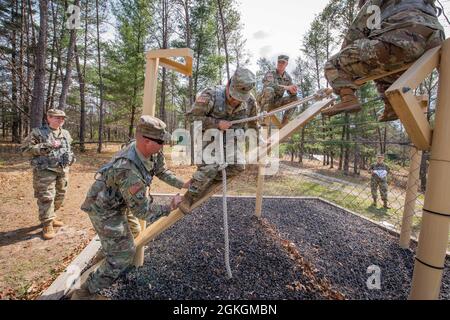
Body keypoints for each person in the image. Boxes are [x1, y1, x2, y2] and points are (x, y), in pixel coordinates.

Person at [71, 115, 189, 300]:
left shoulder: (153, 152)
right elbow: (143, 211)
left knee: (131, 234)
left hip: (119, 202)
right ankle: (84, 293)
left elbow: (162, 171)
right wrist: (170, 206)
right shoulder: (128, 169)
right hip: (104, 209)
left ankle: (104, 257)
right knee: (124, 255)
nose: (163, 146)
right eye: (160, 142)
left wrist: (183, 184)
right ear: (145, 141)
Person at [322, 0, 445, 121]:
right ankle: (392, 106)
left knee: (334, 64)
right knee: (381, 69)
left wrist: (344, 71)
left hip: (403, 39)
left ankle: (347, 98)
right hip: (434, 42)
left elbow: (356, 31)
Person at [178, 68, 260, 213]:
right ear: (229, 85)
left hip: (230, 142)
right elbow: (192, 118)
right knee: (211, 165)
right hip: (210, 138)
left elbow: (253, 123)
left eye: (240, 98)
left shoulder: (250, 101)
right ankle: (189, 196)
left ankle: (204, 181)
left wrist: (260, 139)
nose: (236, 101)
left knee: (238, 166)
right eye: (234, 96)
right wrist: (216, 124)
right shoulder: (211, 95)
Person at [21, 109, 75, 240]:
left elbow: (68, 148)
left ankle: (52, 215)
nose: (60, 120)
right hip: (45, 170)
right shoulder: (38, 132)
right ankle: (47, 223)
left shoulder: (66, 133)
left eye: (62, 118)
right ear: (48, 118)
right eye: (57, 118)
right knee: (47, 197)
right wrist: (44, 147)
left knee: (60, 196)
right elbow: (25, 150)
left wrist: (71, 157)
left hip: (62, 170)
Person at [258, 55, 299, 125]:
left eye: (283, 62)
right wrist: (287, 87)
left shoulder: (288, 78)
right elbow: (268, 85)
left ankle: (284, 122)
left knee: (295, 99)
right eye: (279, 62)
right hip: (264, 102)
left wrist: (293, 91)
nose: (280, 64)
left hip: (276, 102)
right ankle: (263, 117)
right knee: (269, 89)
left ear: (286, 64)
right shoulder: (271, 73)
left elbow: (291, 93)